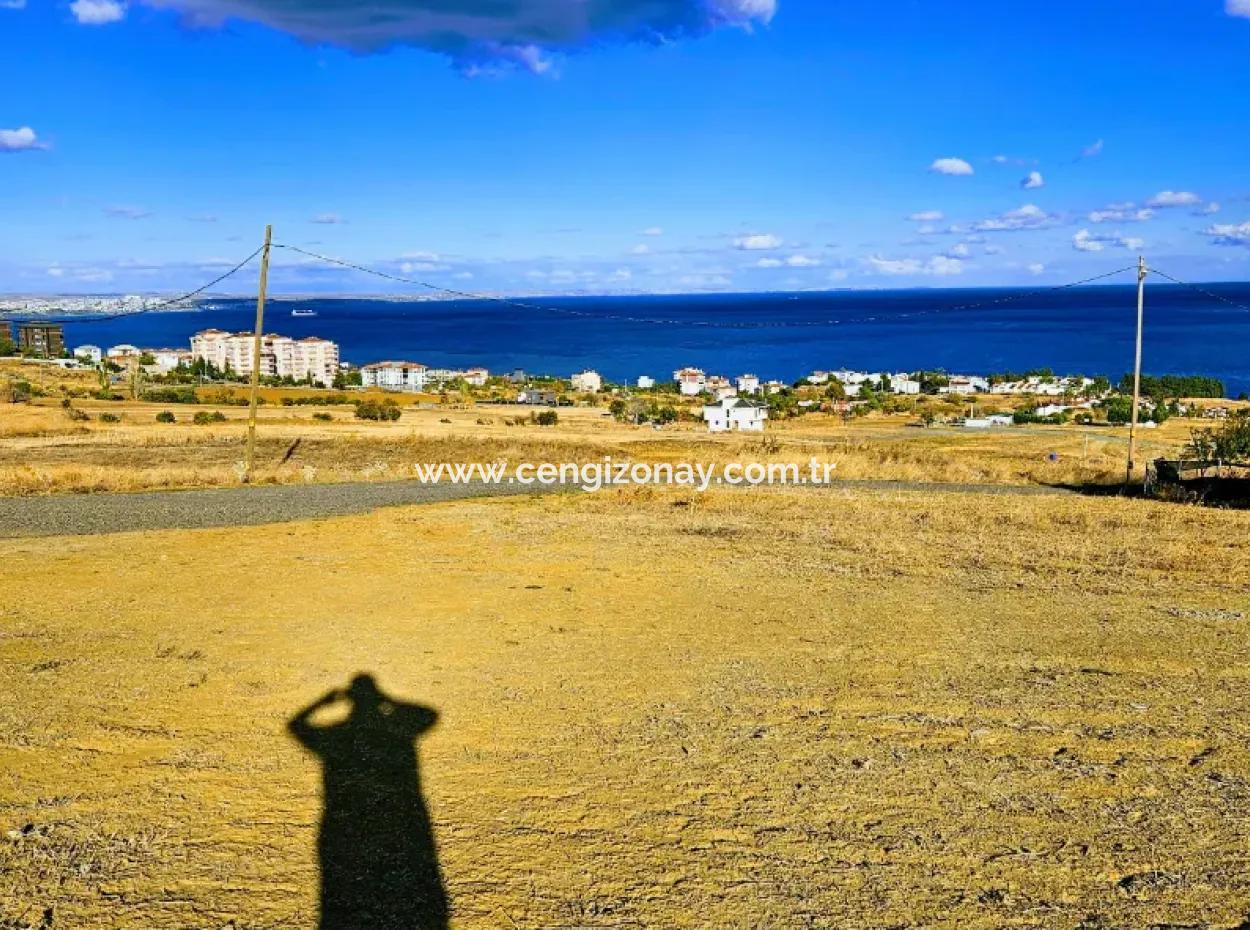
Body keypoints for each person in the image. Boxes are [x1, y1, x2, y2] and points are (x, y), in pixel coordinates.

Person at [289, 675, 447, 930]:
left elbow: (296, 726)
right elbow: (429, 715)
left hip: (345, 829)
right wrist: (388, 699)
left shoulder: (336, 737)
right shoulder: (398, 733)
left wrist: (322, 702)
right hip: (397, 824)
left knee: (346, 897)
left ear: (350, 701)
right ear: (375, 699)